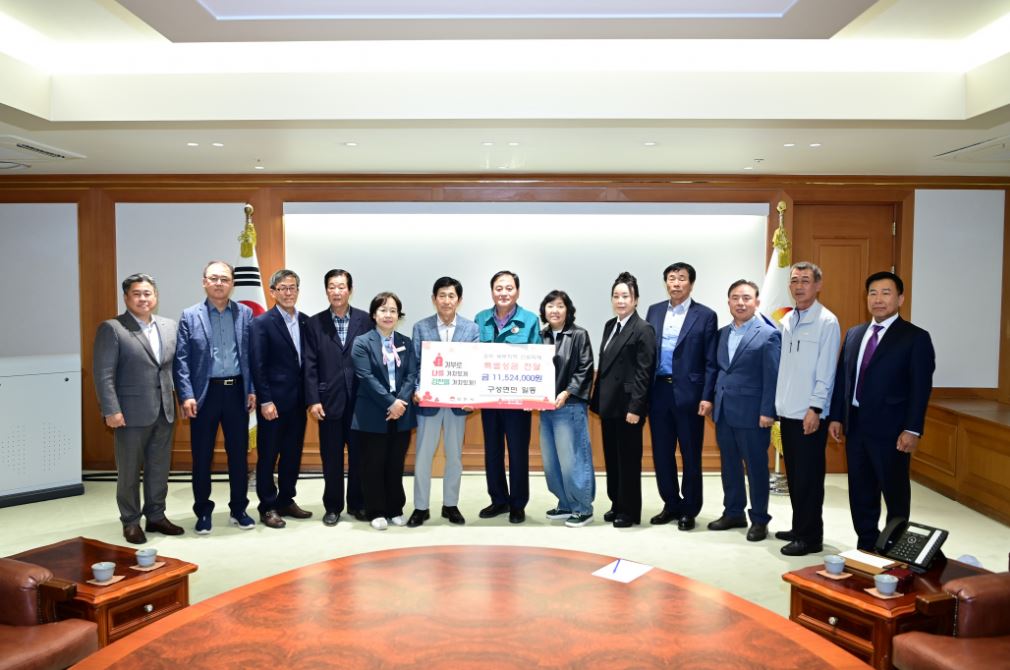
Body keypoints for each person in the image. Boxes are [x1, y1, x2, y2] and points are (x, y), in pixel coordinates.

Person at [829, 271, 935, 552]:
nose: (878, 299)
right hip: (856, 426)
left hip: (893, 430)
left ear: (900, 299)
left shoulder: (915, 338)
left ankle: (895, 546)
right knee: (860, 490)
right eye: (873, 293)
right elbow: (843, 379)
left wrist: (912, 429)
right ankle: (866, 544)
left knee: (895, 492)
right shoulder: (855, 334)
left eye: (886, 293)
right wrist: (837, 416)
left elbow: (920, 388)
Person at [93, 273, 183, 544]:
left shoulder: (169, 326)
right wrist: (111, 410)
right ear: (126, 297)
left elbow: (175, 368)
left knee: (159, 468)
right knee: (129, 471)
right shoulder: (113, 328)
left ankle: (156, 516)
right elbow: (103, 373)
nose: (143, 298)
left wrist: (184, 399)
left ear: (155, 297)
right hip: (129, 413)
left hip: (165, 409)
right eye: (136, 294)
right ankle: (130, 521)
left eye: (147, 293)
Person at [174, 261, 256, 534]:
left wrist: (253, 389)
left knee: (238, 456)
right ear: (204, 282)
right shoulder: (190, 315)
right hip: (203, 395)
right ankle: (203, 511)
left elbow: (251, 356)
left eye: (224, 278)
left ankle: (238, 509)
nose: (219, 283)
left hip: (236, 392)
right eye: (214, 278)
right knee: (202, 456)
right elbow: (181, 359)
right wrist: (186, 395)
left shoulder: (245, 313)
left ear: (232, 283)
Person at [645, 262, 718, 531]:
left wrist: (707, 396)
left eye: (682, 278)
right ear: (666, 282)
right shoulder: (654, 311)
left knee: (690, 454)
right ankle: (671, 504)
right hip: (658, 391)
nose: (676, 283)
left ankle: (689, 509)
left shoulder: (706, 315)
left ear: (691, 283)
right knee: (662, 453)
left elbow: (711, 360)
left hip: (690, 394)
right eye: (671, 278)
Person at [775, 262, 841, 556]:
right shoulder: (788, 319)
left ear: (818, 285)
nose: (798, 286)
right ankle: (799, 527)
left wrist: (816, 408)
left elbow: (827, 371)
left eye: (805, 280)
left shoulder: (827, 321)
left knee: (809, 479)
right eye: (794, 281)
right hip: (788, 412)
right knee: (795, 476)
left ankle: (811, 537)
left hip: (809, 414)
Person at [708, 280, 781, 542]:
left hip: (753, 414)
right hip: (724, 411)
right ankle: (733, 512)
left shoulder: (769, 334)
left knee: (756, 468)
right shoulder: (721, 333)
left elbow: (772, 376)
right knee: (729, 466)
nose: (741, 303)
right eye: (735, 298)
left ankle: (759, 519)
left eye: (746, 298)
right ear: (728, 302)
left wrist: (768, 411)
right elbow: (719, 370)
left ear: (756, 302)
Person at [407, 277, 479, 527]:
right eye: (442, 295)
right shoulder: (421, 327)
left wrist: (471, 397)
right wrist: (417, 390)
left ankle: (450, 505)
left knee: (454, 457)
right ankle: (421, 507)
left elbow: (474, 367)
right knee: (423, 456)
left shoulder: (471, 329)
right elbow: (415, 364)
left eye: (451, 296)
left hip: (458, 405)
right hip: (428, 402)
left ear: (459, 300)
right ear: (434, 298)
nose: (446, 300)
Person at [303, 269, 372, 526]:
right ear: (326, 291)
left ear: (350, 290)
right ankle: (332, 506)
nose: (337, 291)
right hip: (327, 401)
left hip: (360, 402)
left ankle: (357, 504)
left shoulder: (366, 320)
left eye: (341, 286)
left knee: (359, 457)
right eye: (332, 287)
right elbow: (309, 364)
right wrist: (313, 399)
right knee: (331, 457)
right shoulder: (314, 323)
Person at [474, 270, 543, 524]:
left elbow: (538, 360)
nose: (504, 293)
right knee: (492, 451)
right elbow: (471, 358)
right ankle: (499, 500)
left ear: (517, 291)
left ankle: (517, 503)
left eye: (509, 288)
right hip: (489, 399)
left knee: (517, 452)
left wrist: (533, 397)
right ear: (492, 291)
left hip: (518, 402)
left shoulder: (530, 320)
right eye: (499, 288)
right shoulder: (480, 319)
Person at [590, 272, 656, 528]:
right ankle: (616, 503)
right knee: (612, 458)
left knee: (628, 461)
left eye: (625, 296)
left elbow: (644, 372)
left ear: (635, 299)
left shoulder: (643, 329)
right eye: (616, 296)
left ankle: (629, 511)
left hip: (629, 406)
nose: (620, 300)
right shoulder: (610, 325)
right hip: (609, 404)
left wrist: (636, 407)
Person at [249, 269, 311, 529]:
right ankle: (267, 506)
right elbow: (258, 365)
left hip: (298, 402)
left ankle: (286, 500)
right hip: (273, 404)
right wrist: (265, 400)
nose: (288, 292)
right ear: (273, 292)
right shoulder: (262, 323)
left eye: (292, 287)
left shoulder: (306, 322)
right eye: (283, 288)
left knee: (292, 455)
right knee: (268, 456)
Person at [351, 292, 418, 530]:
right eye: (383, 310)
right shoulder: (362, 342)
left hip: (401, 413)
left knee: (395, 464)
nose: (388, 315)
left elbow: (411, 375)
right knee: (373, 464)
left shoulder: (406, 342)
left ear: (398, 315)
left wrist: (400, 402)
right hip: (372, 412)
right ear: (374, 314)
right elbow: (365, 377)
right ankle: (376, 511)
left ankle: (395, 509)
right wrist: (390, 403)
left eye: (393, 310)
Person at [538, 290, 596, 528]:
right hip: (545, 409)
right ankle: (565, 503)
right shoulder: (540, 336)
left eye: (560, 306)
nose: (555, 310)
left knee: (572, 460)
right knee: (551, 462)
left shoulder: (579, 334)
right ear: (544, 310)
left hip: (569, 406)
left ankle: (583, 508)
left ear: (568, 310)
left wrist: (566, 392)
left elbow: (585, 368)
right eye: (550, 306)